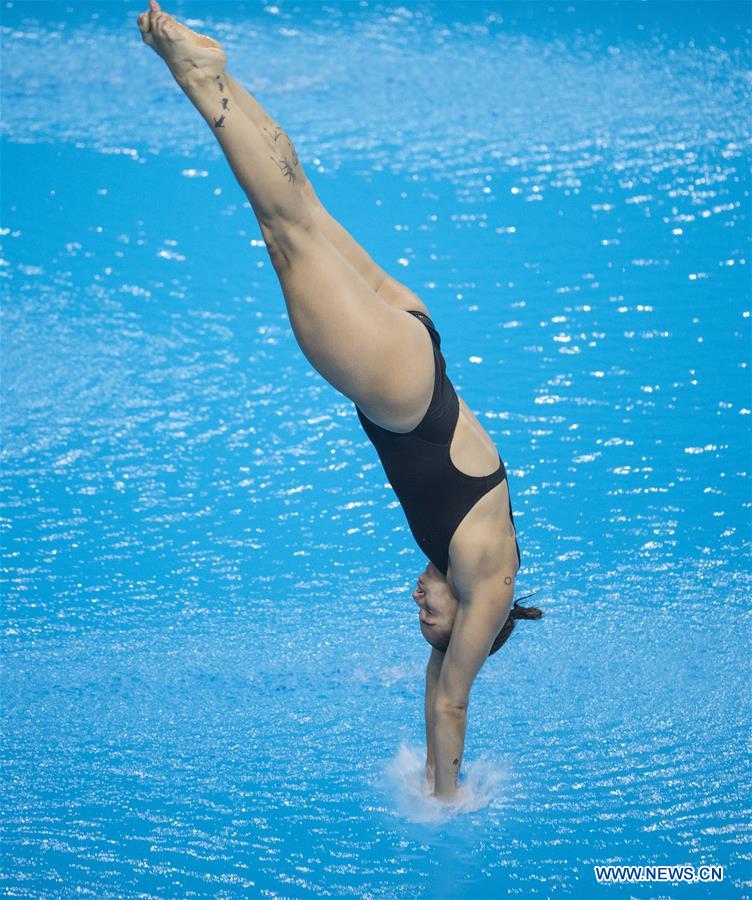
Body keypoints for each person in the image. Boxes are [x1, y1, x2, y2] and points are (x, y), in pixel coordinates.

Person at [136, 1, 541, 801]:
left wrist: (426, 761)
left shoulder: (473, 577)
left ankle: (221, 78)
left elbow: (437, 682)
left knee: (304, 209)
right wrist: (446, 802)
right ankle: (201, 80)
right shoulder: (486, 581)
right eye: (430, 617)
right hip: (398, 385)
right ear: (470, 621)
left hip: (416, 345)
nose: (416, 601)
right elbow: (456, 696)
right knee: (285, 226)